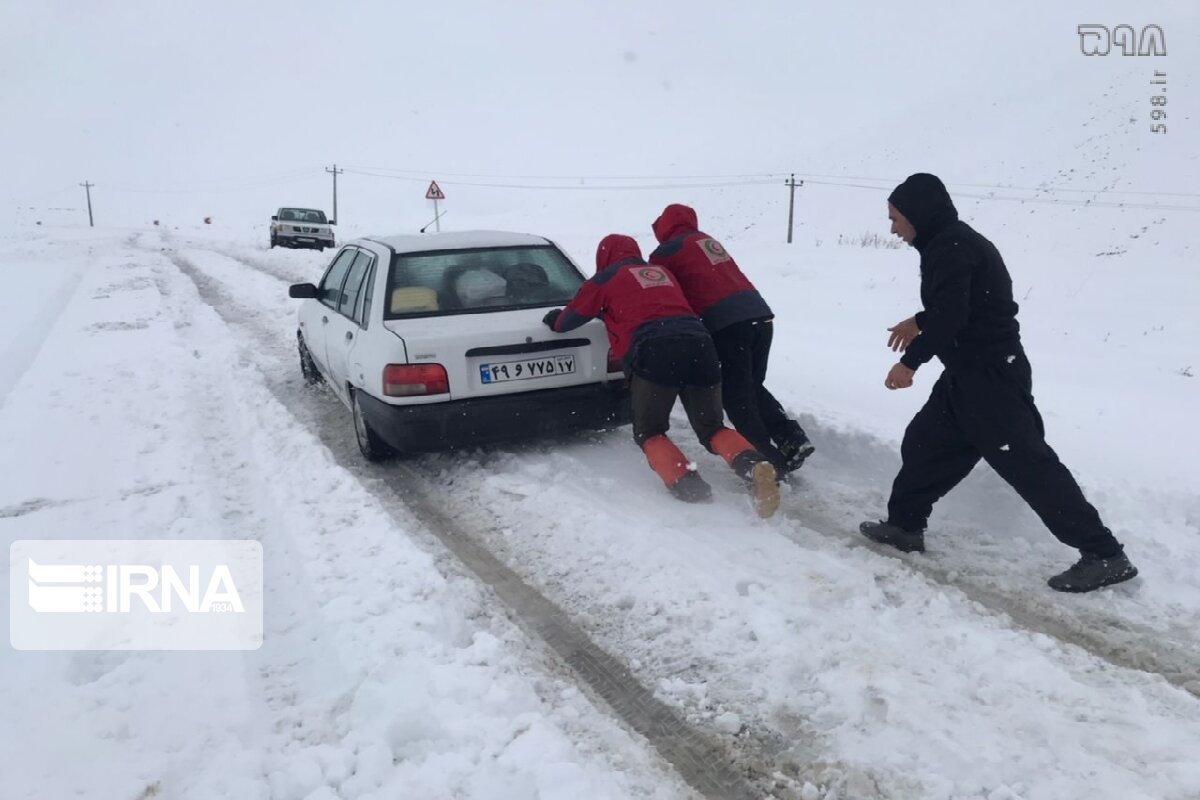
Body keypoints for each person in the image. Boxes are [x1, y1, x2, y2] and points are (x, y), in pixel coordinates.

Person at [860, 173, 1137, 593]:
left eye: (896, 218)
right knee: (924, 444)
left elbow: (954, 314)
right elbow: (964, 305)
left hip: (991, 380)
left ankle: (1104, 555)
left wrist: (911, 362)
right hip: (968, 375)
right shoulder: (947, 243)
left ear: (919, 214)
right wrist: (919, 321)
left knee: (1029, 466)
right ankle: (904, 526)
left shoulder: (951, 247)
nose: (893, 228)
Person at [544, 233, 780, 518]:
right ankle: (753, 465)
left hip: (655, 350)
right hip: (700, 345)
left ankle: (688, 485)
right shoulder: (661, 272)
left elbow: (570, 319)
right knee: (712, 426)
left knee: (650, 430)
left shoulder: (606, 278)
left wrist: (554, 319)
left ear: (603, 257)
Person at [648, 203, 813, 477]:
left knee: (736, 397)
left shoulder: (665, 253)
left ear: (664, 227)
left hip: (727, 324)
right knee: (752, 385)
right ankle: (792, 438)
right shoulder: (706, 240)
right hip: (760, 316)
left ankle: (767, 461)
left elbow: (663, 292)